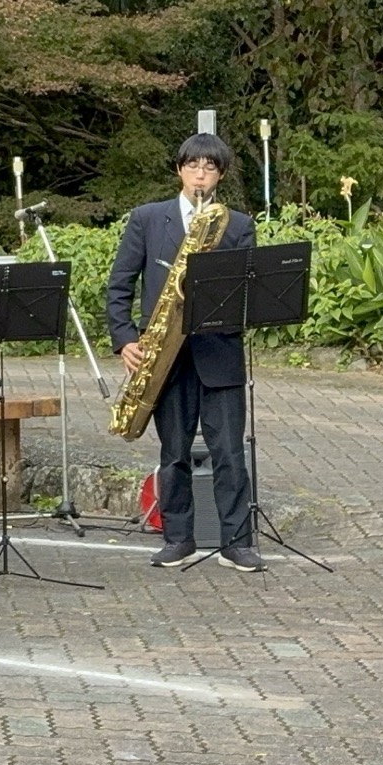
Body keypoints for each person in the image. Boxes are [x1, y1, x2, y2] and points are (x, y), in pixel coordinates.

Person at [107, 132, 262, 571]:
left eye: (210, 167)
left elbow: (247, 291)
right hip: (164, 358)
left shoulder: (238, 224)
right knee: (173, 453)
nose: (200, 174)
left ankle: (237, 542)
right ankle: (179, 538)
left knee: (230, 453)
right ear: (180, 169)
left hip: (219, 353)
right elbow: (119, 285)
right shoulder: (147, 219)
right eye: (193, 165)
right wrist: (125, 339)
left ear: (220, 175)